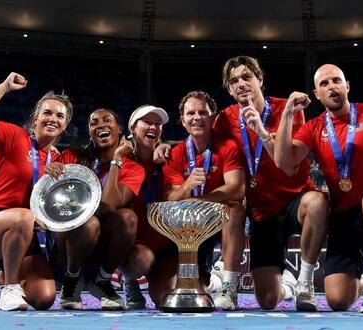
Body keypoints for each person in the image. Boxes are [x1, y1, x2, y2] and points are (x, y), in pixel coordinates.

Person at [273, 64, 363, 313]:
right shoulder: (313, 127)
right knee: (338, 299)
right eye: (324, 84)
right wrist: (287, 111)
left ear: (347, 86)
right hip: (344, 217)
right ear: (316, 93)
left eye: (336, 80)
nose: (331, 86)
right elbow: (284, 161)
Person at [213, 56, 329, 311]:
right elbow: (202, 147)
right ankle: (286, 285)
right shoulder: (224, 119)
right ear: (230, 89)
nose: (241, 84)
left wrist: (263, 133)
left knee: (318, 203)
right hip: (261, 210)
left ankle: (305, 283)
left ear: (260, 80)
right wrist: (163, 149)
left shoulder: (288, 109)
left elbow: (288, 166)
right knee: (268, 300)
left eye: (247, 77)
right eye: (234, 81)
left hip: (295, 199)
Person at [0, 72, 70, 311]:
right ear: (35, 118)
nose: (53, 118)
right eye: (47, 113)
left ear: (65, 126)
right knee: (23, 215)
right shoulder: (14, 136)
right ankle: (10, 287)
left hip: (24, 234)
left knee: (44, 298)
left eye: (60, 116)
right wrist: (4, 87)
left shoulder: (58, 161)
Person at [44, 108, 145, 310]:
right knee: (89, 223)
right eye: (94, 122)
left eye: (107, 120)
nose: (100, 125)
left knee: (128, 218)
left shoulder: (133, 168)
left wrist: (117, 160)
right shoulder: (71, 157)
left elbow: (108, 206)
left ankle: (102, 280)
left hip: (104, 250)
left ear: (119, 130)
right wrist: (48, 174)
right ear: (89, 132)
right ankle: (71, 281)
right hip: (68, 244)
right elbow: (49, 201)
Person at [163, 91, 246, 310]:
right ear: (182, 120)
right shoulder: (176, 153)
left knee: (235, 210)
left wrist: (200, 199)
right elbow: (169, 198)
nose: (197, 117)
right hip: (189, 228)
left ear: (213, 117)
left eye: (203, 112)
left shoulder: (227, 146)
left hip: (219, 219)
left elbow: (237, 188)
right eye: (191, 113)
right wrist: (186, 186)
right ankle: (211, 277)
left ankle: (228, 286)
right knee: (191, 296)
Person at [119, 105, 176, 309]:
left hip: (166, 242)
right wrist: (118, 159)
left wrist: (168, 145)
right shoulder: (122, 160)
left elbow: (193, 143)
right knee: (142, 259)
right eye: (147, 122)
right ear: (133, 128)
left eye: (157, 124)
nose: (153, 126)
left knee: (166, 300)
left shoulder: (169, 157)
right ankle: (130, 279)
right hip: (137, 245)